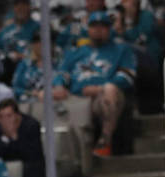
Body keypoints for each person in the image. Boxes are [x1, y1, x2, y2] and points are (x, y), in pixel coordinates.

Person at [54, 11, 137, 157]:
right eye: (94, 26)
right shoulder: (76, 51)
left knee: (110, 90)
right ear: (88, 29)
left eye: (103, 26)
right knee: (46, 94)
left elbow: (127, 76)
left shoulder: (121, 49)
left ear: (109, 29)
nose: (98, 29)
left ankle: (104, 141)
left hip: (102, 98)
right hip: (76, 98)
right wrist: (59, 85)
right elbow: (62, 73)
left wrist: (99, 88)